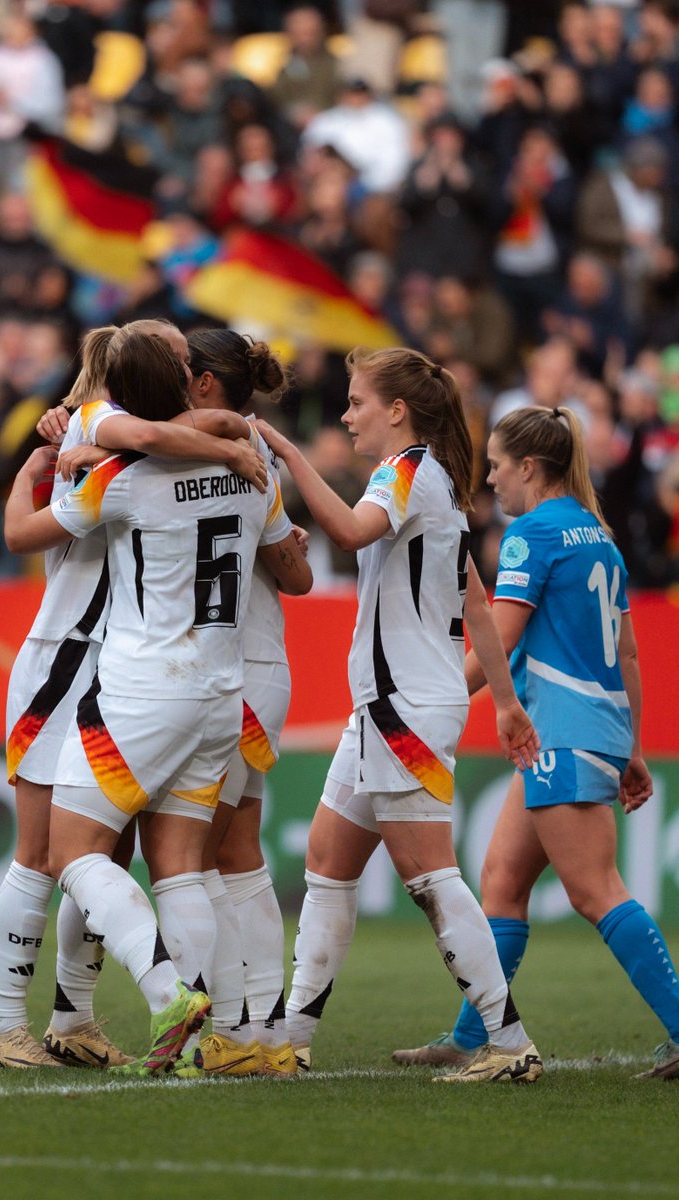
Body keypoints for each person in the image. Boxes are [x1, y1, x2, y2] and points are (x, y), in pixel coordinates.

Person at [4, 330, 294, 1075]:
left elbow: (20, 534)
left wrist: (44, 467)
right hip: (220, 694)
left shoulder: (121, 475)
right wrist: (233, 437)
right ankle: (197, 1048)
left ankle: (168, 994)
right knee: (181, 868)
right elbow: (286, 559)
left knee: (71, 853)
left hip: (143, 689)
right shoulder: (254, 472)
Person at [253, 346, 545, 1084]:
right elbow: (475, 599)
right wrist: (504, 704)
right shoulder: (437, 482)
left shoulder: (407, 473)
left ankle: (510, 1044)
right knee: (327, 859)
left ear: (396, 410)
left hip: (402, 708)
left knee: (429, 875)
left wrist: (286, 453)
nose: (347, 415)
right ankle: (291, 1038)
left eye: (355, 402)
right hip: (388, 707)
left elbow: (350, 533)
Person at [392, 406, 679, 1081]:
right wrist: (631, 747)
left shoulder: (531, 535)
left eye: (495, 464)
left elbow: (500, 636)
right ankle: (474, 1034)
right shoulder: (597, 536)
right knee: (502, 882)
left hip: (561, 734)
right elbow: (630, 656)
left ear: (529, 467)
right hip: (594, 730)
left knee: (594, 890)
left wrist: (432, 704)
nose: (490, 478)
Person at [182, 328, 313, 1077]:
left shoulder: (215, 451)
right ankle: (268, 1033)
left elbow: (290, 576)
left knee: (194, 854)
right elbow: (293, 575)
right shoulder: (247, 452)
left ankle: (237, 1029)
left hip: (238, 671)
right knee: (236, 853)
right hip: (260, 666)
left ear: (205, 385)